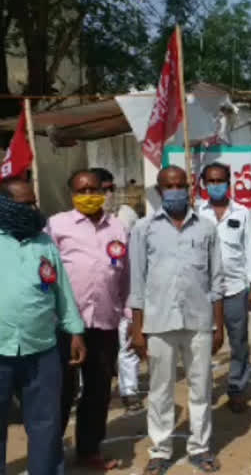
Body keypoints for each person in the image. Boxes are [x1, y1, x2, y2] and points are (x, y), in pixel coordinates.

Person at [129, 165, 225, 474]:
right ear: (159, 191)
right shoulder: (144, 229)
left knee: (201, 387)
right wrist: (137, 328)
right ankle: (160, 450)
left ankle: (200, 447)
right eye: (168, 186)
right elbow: (137, 283)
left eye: (180, 185)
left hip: (199, 321)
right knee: (160, 389)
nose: (175, 191)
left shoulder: (207, 228)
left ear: (190, 189)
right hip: (158, 322)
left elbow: (216, 281)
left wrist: (218, 325)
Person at [0, 177, 86, 475]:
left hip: (42, 349)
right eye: (25, 204)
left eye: (34, 203)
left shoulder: (44, 242)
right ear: (6, 206)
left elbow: (62, 289)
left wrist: (75, 331)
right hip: (1, 348)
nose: (33, 209)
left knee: (46, 424)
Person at [47, 169, 130, 471]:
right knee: (61, 391)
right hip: (66, 325)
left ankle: (89, 449)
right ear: (72, 194)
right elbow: (47, 272)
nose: (88, 196)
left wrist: (130, 316)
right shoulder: (57, 226)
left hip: (105, 322)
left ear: (104, 191)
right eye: (81, 191)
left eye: (94, 189)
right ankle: (50, 452)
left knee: (98, 391)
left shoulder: (118, 227)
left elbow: (125, 276)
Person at [198, 162, 251, 413]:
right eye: (211, 181)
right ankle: (203, 388)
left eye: (220, 181)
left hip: (235, 287)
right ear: (204, 184)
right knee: (204, 342)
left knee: (239, 341)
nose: (216, 185)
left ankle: (236, 388)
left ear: (229, 183)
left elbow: (250, 249)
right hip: (204, 290)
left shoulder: (241, 212)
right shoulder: (196, 212)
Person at [90, 168, 143, 412]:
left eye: (111, 188)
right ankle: (86, 391)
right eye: (104, 188)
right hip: (92, 297)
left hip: (123, 290)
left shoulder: (126, 216)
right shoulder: (71, 223)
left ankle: (129, 390)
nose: (109, 193)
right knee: (91, 348)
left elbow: (136, 253)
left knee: (126, 342)